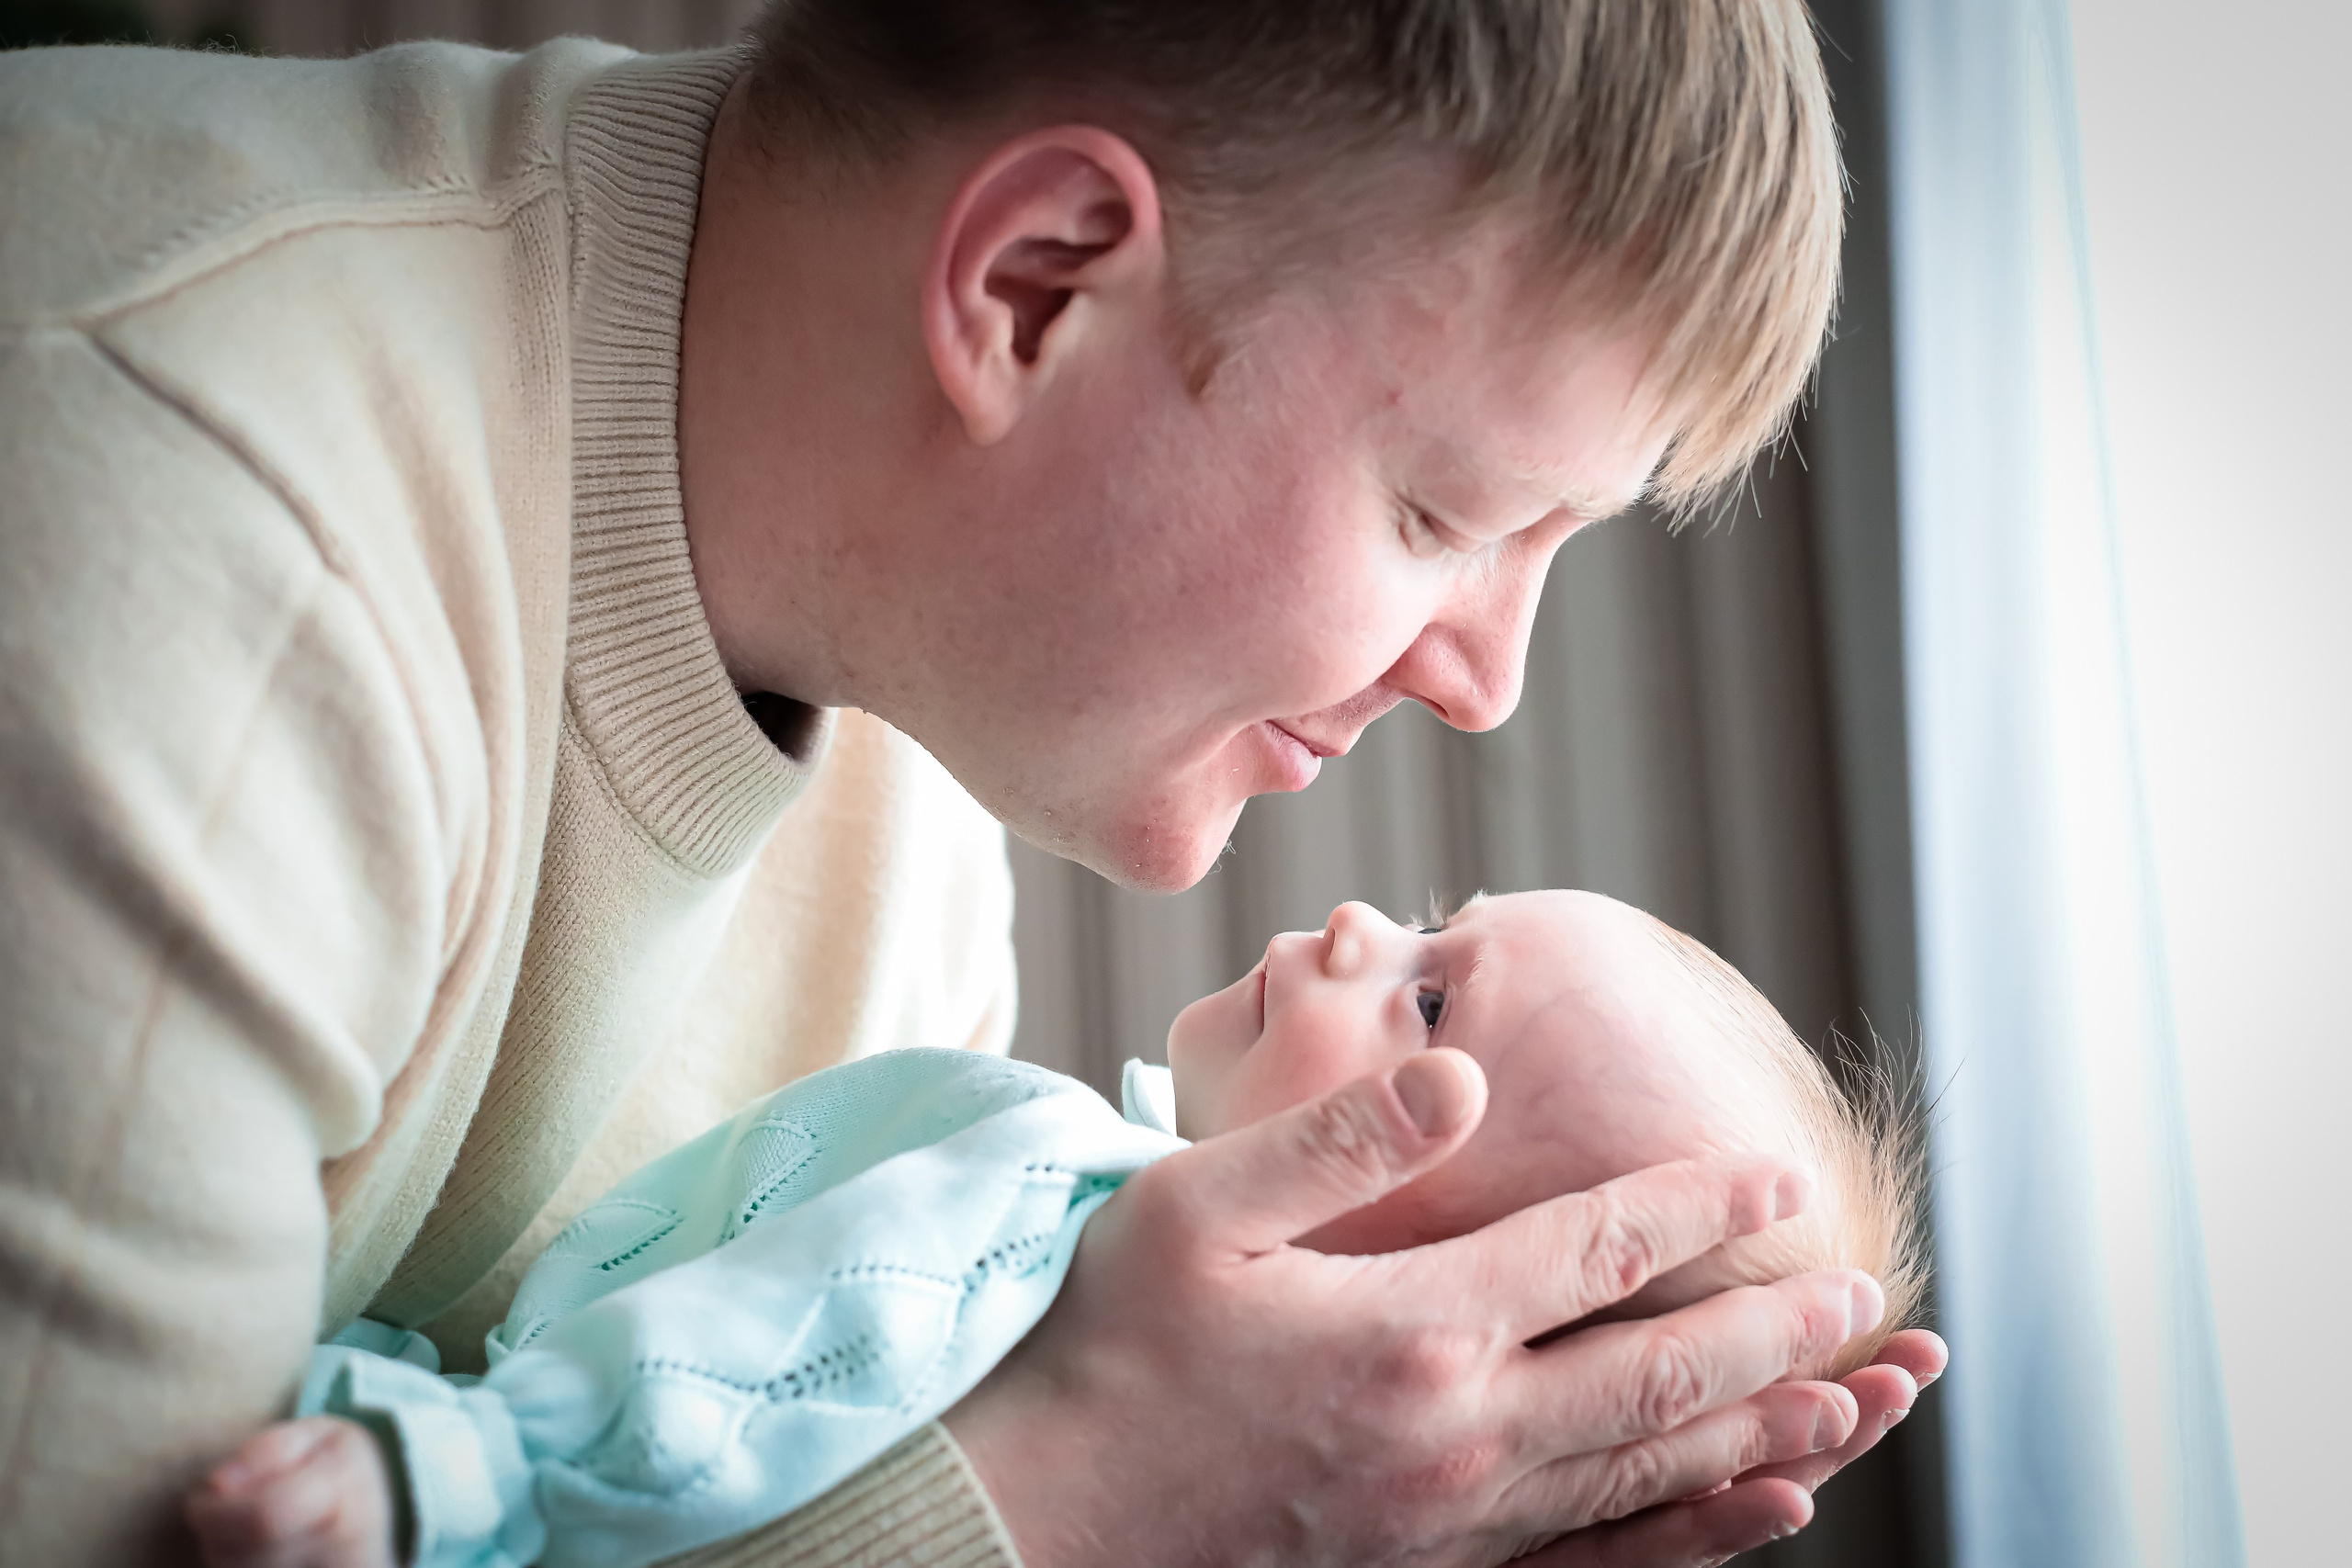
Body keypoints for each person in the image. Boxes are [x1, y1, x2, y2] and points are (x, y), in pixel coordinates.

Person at [0, 4, 1947, 1564]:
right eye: (1439, 510)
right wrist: (1082, 1497)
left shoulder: (908, 828)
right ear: (1032, 285)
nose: (1488, 684)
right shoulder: (168, 571)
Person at [186, 892, 1928, 1568]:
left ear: (1429, 1302)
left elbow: (773, 1349)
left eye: (1428, 1002)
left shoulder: (1052, 1178)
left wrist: (468, 1466)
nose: (1350, 924)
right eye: (1429, 926)